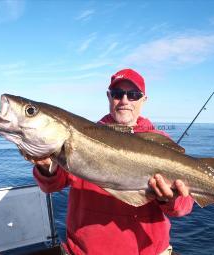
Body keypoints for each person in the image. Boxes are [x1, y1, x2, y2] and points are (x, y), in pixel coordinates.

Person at [30, 69, 194, 255]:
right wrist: (45, 167)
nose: (124, 100)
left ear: (144, 100)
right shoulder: (82, 136)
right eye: (117, 94)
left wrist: (169, 199)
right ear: (109, 97)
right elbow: (52, 185)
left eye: (133, 95)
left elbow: (182, 208)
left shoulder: (161, 142)